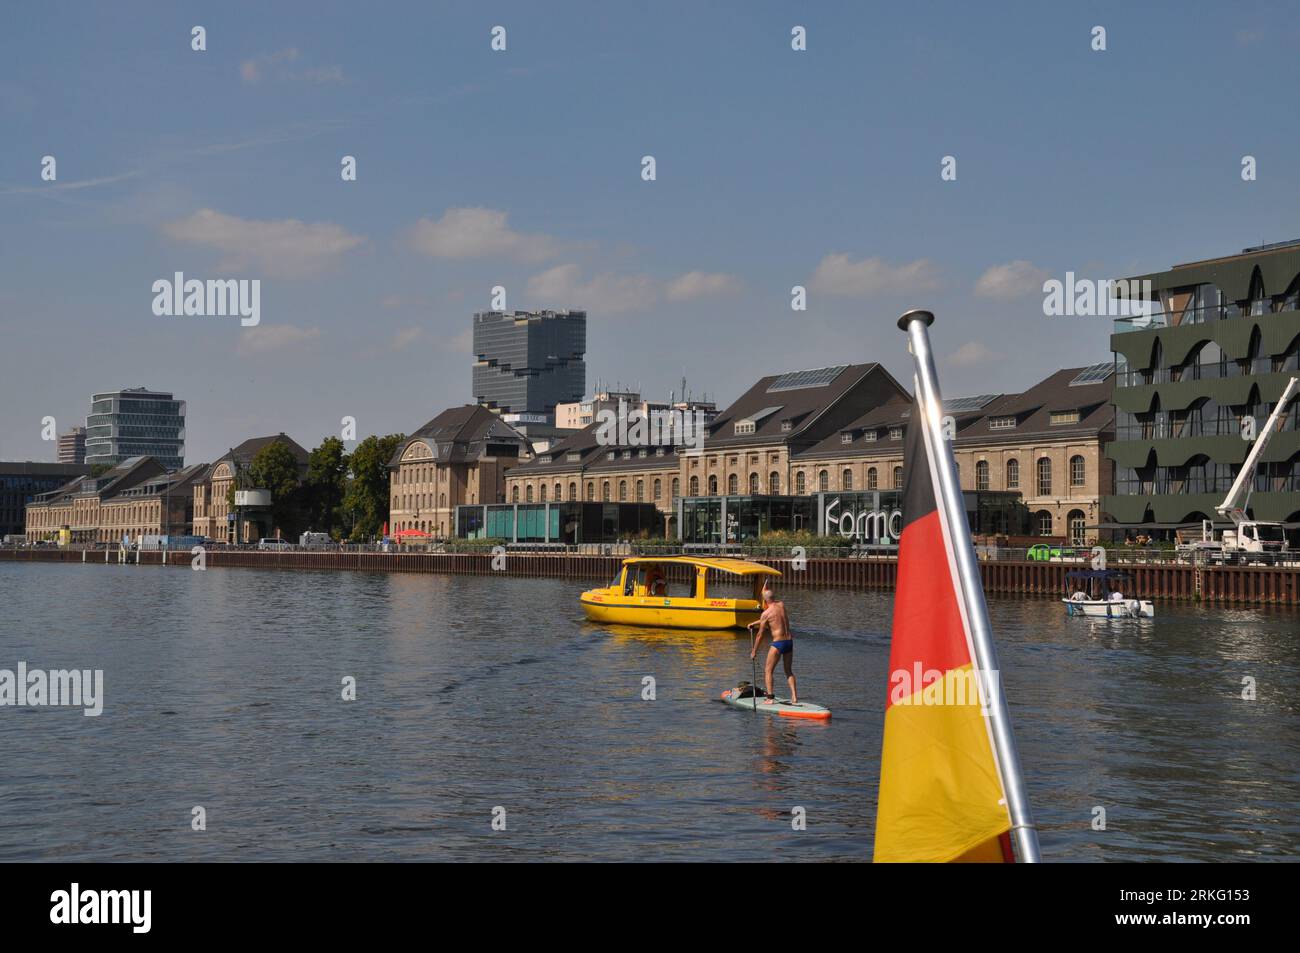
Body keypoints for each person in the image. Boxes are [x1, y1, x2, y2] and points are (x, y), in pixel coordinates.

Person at [748, 587, 798, 704]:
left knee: (768, 671)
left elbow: (760, 634)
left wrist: (754, 651)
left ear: (764, 601)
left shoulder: (766, 613)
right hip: (789, 642)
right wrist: (754, 623)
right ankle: (794, 697)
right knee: (788, 671)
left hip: (778, 643)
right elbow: (773, 618)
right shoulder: (782, 605)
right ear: (774, 598)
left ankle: (770, 698)